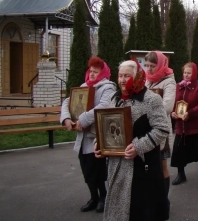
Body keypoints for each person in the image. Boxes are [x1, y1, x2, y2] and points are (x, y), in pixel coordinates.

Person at [94, 60, 170, 221]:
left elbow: (162, 129)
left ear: (137, 77)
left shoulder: (151, 99)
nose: (122, 80)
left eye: (127, 76)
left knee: (140, 211)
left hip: (143, 167)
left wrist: (138, 146)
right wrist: (100, 144)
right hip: (117, 165)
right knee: (118, 210)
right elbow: (106, 126)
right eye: (120, 76)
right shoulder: (114, 99)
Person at [60, 57, 116, 213]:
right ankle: (94, 197)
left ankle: (104, 196)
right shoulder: (84, 87)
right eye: (90, 71)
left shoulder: (108, 87)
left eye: (95, 72)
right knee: (86, 168)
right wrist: (66, 119)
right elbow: (67, 102)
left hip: (96, 135)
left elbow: (104, 106)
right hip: (82, 136)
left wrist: (82, 120)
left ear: (103, 73)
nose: (92, 74)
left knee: (97, 170)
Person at [170, 62, 198, 185]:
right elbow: (173, 102)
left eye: (189, 73)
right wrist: (173, 113)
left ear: (194, 73)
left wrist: (190, 113)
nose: (186, 75)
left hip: (197, 127)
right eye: (185, 72)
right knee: (179, 151)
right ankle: (181, 174)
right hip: (181, 127)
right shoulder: (178, 86)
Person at [144, 51, 176, 209]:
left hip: (160, 130)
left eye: (152, 66)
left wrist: (145, 112)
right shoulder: (147, 80)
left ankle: (164, 201)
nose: (149, 69)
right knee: (149, 166)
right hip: (146, 130)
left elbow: (167, 106)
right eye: (147, 65)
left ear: (161, 65)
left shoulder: (168, 82)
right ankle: (153, 199)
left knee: (162, 166)